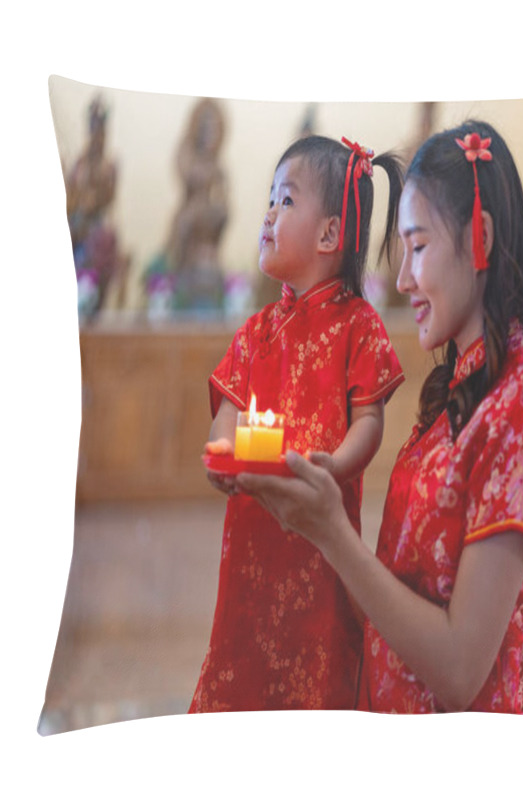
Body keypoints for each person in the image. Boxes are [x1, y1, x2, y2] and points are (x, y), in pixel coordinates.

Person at [238, 120, 523, 715]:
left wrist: (332, 533)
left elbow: (458, 670)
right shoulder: (465, 385)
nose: (401, 281)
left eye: (417, 248)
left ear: (480, 238)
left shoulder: (518, 407)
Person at [188, 135, 406, 713]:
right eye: (269, 198)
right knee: (244, 662)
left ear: (330, 235)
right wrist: (221, 452)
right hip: (253, 547)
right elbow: (228, 413)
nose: (267, 212)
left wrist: (337, 465)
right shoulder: (257, 330)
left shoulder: (360, 325)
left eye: (285, 201)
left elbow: (370, 418)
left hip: (320, 541)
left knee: (319, 677)